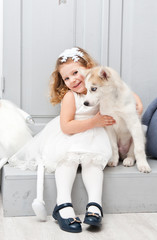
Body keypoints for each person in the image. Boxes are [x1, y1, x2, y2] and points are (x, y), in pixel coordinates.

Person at [9, 47, 143, 233]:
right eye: (66, 78)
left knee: (92, 163)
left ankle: (95, 205)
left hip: (95, 137)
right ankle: (62, 204)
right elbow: (66, 127)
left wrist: (137, 101)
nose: (72, 80)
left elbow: (123, 92)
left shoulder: (100, 87)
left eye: (75, 72)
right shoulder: (71, 97)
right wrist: (94, 121)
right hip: (70, 135)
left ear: (88, 68)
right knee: (67, 160)